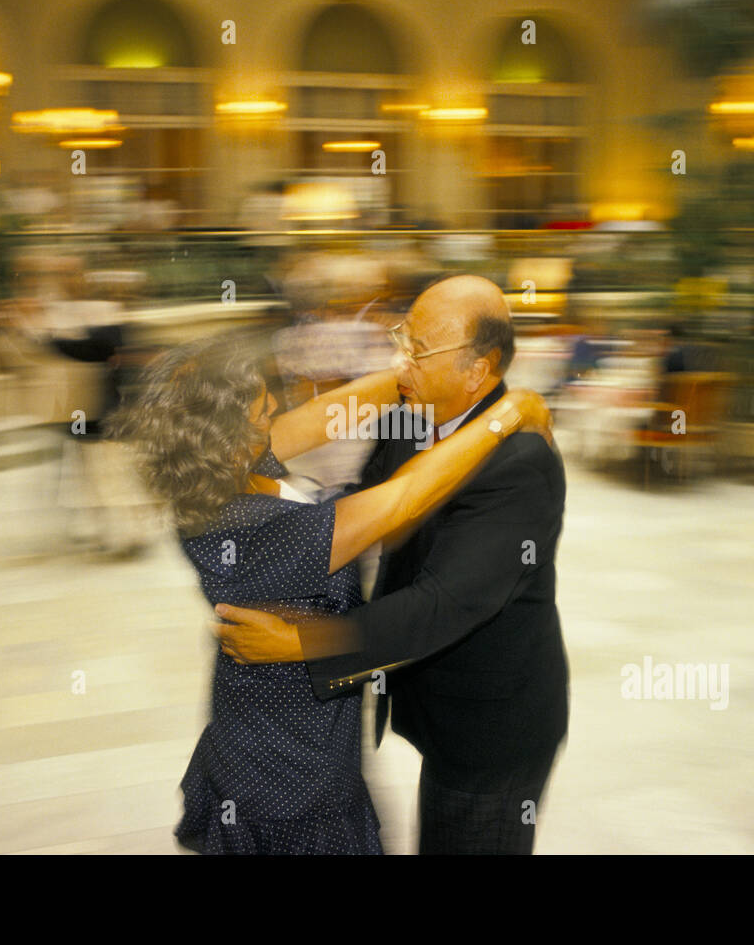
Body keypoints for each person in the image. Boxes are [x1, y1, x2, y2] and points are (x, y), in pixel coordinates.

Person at [108, 333, 552, 854]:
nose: (275, 408)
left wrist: (417, 371)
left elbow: (329, 412)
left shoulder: (220, 472)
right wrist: (506, 417)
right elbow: (403, 499)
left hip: (264, 727)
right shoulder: (251, 528)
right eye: (261, 404)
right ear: (229, 435)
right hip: (290, 765)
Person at [217, 275, 570, 854]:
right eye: (400, 341)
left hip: (493, 731)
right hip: (440, 702)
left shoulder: (521, 463)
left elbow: (441, 606)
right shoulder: (414, 414)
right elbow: (365, 509)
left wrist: (299, 643)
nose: (399, 360)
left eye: (417, 350)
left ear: (477, 371)